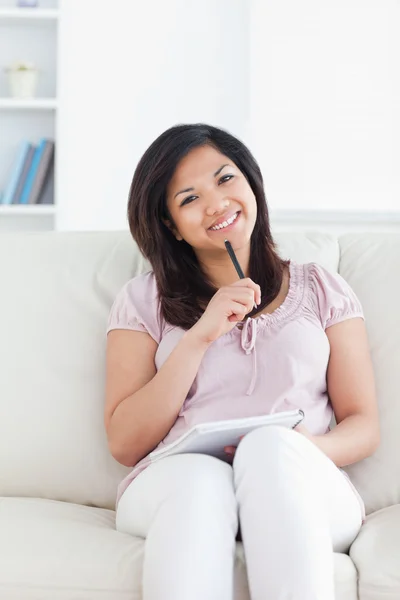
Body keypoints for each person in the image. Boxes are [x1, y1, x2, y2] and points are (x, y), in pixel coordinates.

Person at [104, 123, 380, 600]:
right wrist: (200, 336)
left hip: (303, 481)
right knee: (200, 479)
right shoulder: (142, 299)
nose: (215, 204)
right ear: (171, 225)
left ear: (251, 183)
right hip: (176, 481)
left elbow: (364, 425)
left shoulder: (321, 288)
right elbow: (125, 443)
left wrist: (297, 449)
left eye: (226, 179)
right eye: (189, 199)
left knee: (269, 450)